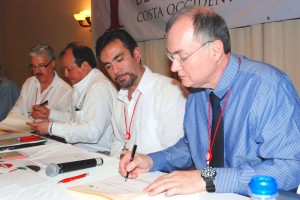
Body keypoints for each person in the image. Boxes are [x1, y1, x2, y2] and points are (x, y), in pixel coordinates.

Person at [119, 6, 300, 197]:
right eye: (171, 56)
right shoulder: (197, 91)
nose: (173, 66)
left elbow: (291, 167)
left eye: (182, 56)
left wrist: (209, 178)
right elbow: (192, 145)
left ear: (215, 50)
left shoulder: (267, 87)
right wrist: (153, 161)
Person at [95, 29, 188, 157]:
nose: (115, 70)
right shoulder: (119, 99)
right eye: (108, 66)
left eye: (119, 60)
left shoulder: (169, 92)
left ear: (137, 54)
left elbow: (176, 155)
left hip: (159, 175)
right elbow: (117, 142)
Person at [27, 42, 117, 153]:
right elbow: (73, 119)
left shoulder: (99, 88)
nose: (65, 74)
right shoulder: (80, 85)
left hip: (99, 154)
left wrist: (51, 128)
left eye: (68, 69)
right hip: (80, 150)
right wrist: (49, 114)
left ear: (84, 66)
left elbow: (92, 132)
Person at [8, 44, 71, 121]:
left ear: (53, 64)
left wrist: (49, 114)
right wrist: (8, 123)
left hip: (48, 132)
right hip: (25, 131)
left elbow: (69, 121)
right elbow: (17, 110)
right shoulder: (29, 83)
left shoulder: (66, 91)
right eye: (33, 66)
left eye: (41, 65)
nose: (37, 71)